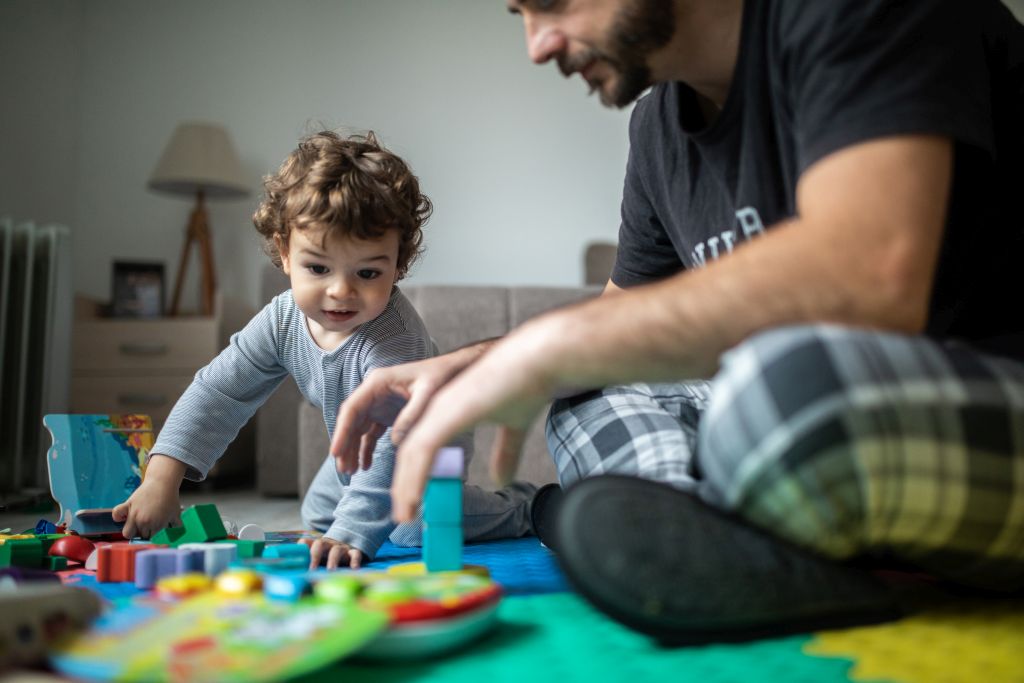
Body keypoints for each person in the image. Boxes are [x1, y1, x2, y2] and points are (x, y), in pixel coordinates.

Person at [331, 0, 1024, 641]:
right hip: (829, 460)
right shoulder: (658, 126)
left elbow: (872, 272)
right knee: (585, 391)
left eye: (553, 1)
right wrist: (476, 363)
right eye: (520, 13)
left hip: (974, 411)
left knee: (784, 375)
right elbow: (617, 326)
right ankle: (721, 550)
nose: (538, 45)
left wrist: (554, 348)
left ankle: (719, 531)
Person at [112, 131, 534, 569]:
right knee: (318, 515)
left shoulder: (395, 340)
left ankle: (523, 505)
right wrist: (162, 476)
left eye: (369, 273)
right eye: (318, 267)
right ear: (285, 253)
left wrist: (352, 533)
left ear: (398, 263)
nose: (340, 291)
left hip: (419, 444)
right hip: (358, 447)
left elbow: (393, 442)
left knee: (411, 525)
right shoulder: (280, 321)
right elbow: (219, 392)